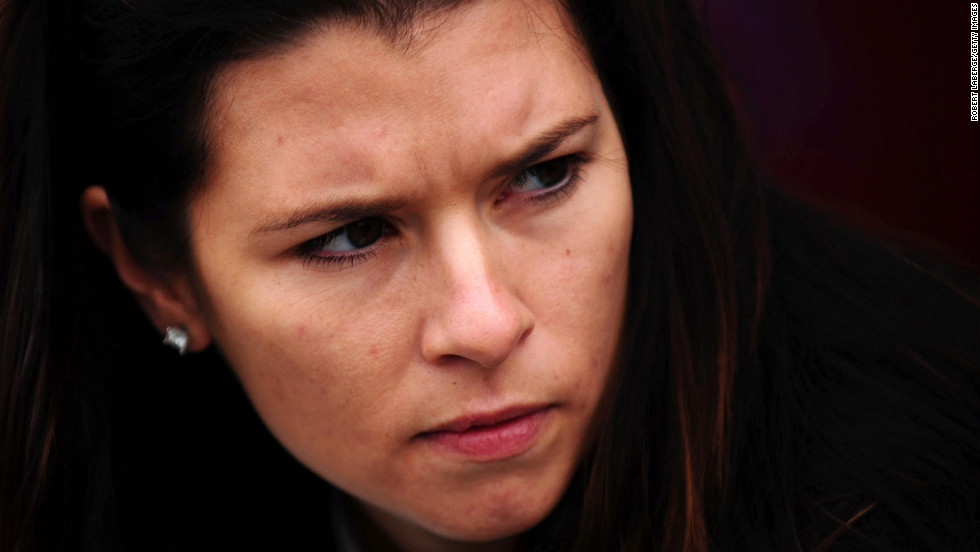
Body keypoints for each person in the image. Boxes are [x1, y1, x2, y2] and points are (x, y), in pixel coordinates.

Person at [0, 0, 976, 550]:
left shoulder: (905, 496)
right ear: (158, 271)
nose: (484, 321)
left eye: (544, 174)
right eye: (349, 236)